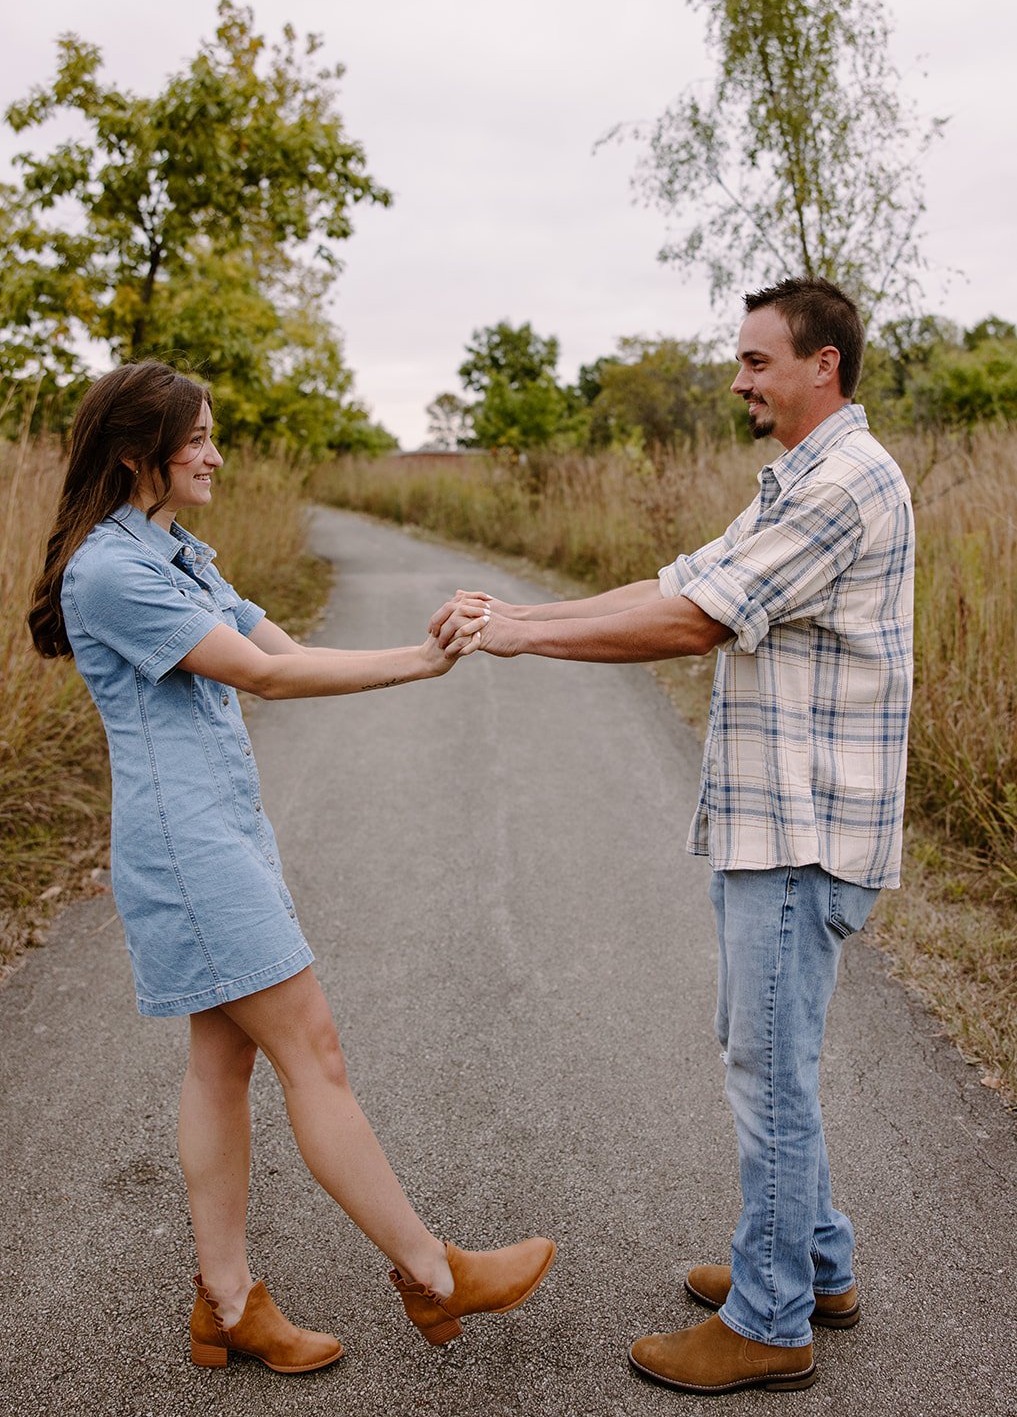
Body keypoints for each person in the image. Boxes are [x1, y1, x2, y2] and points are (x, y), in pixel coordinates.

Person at [433, 276, 914, 1397]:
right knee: (768, 1055)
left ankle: (771, 1319)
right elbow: (681, 579)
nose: (739, 378)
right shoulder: (797, 479)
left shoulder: (842, 483)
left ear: (822, 365)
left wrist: (521, 645)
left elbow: (694, 619)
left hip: (802, 831)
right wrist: (516, 616)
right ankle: (816, 1262)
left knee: (769, 1073)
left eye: (756, 360)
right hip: (776, 823)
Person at [28, 360, 554, 1375]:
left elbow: (282, 642)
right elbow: (264, 673)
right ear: (142, 453)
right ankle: (433, 1273)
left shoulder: (176, 553)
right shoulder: (111, 570)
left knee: (222, 1065)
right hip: (189, 851)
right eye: (202, 438)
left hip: (221, 834)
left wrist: (419, 648)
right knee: (314, 1050)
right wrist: (426, 660)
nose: (217, 454)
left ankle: (226, 1304)